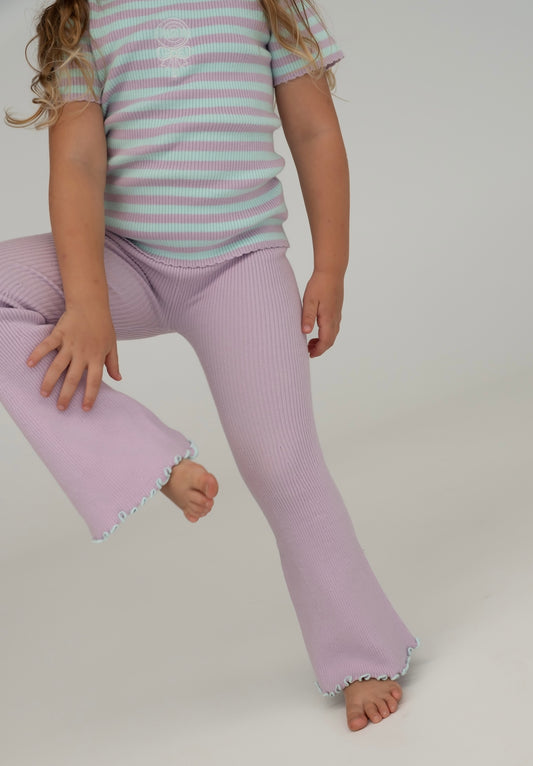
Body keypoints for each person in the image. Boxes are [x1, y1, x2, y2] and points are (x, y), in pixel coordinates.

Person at [1, 0, 420, 732]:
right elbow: (76, 160)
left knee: (281, 462)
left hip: (240, 265)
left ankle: (362, 649)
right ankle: (147, 459)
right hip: (125, 261)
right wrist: (87, 301)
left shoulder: (265, 4)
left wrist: (331, 266)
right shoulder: (83, 15)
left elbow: (314, 129)